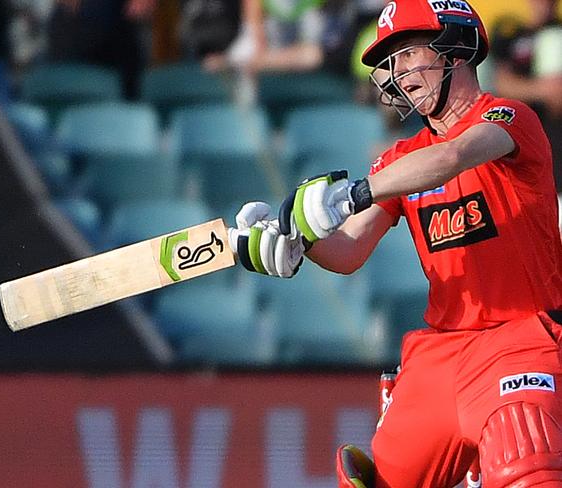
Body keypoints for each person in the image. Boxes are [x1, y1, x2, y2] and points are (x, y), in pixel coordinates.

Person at [228, 0, 562, 486]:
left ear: (454, 49)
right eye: (391, 62)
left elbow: (453, 156)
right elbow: (348, 250)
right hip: (438, 359)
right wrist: (294, 243)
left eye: (407, 54)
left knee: (526, 467)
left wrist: (354, 192)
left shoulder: (511, 118)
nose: (397, 73)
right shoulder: (399, 160)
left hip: (519, 343)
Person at [492, 0, 562, 193]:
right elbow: (502, 84)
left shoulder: (558, 32)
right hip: (528, 139)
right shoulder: (513, 36)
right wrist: (543, 89)